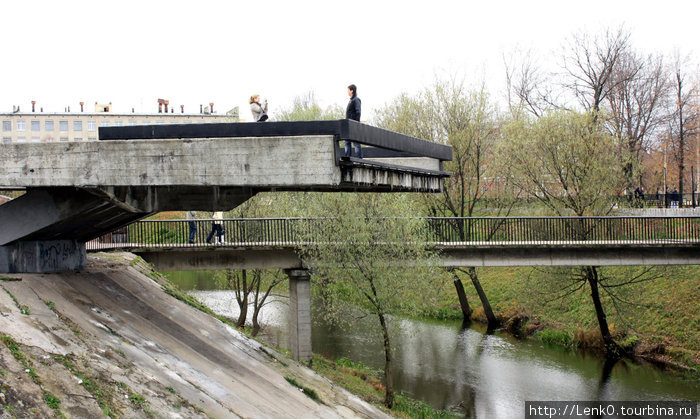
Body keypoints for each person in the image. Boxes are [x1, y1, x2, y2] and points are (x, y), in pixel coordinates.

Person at [344, 84, 362, 158]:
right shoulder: (351, 101)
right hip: (348, 125)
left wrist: (355, 123)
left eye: (348, 90)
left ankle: (359, 158)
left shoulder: (356, 100)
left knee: (356, 142)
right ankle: (348, 157)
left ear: (352, 90)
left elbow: (358, 112)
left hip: (353, 125)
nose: (347, 92)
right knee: (347, 141)